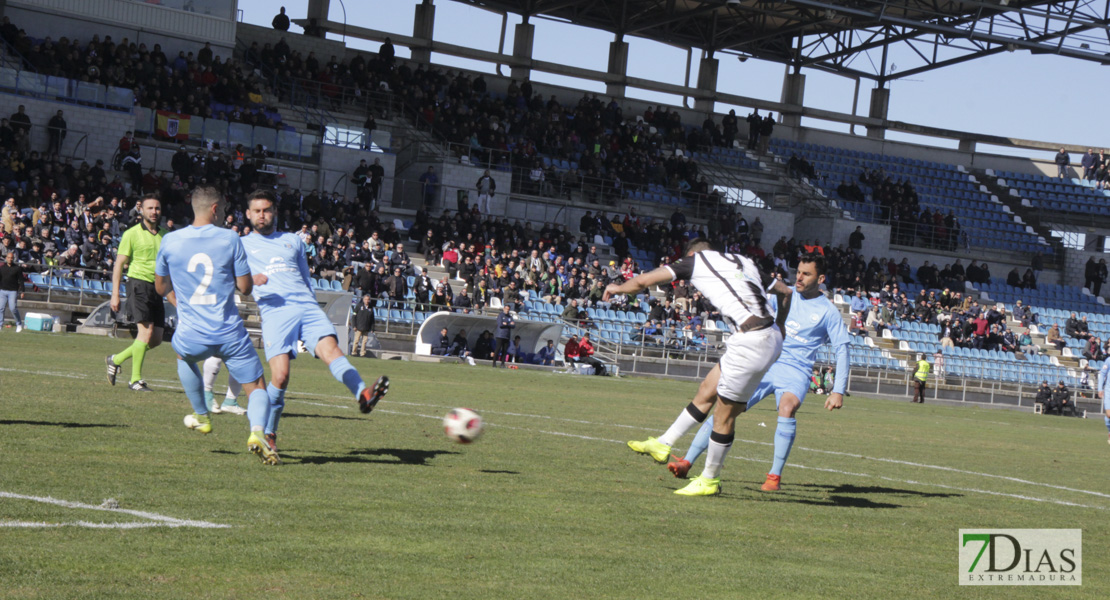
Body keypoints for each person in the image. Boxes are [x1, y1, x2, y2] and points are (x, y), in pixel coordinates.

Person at [613, 238, 784, 497]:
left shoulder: (697, 260)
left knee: (724, 415)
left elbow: (642, 282)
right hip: (762, 335)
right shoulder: (744, 261)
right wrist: (780, 324)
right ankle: (663, 443)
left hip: (752, 340)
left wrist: (617, 288)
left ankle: (709, 480)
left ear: (692, 254)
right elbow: (786, 291)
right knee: (707, 390)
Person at [665, 254, 850, 491]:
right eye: (798, 272)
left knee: (787, 407)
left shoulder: (828, 312)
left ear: (821, 278)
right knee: (726, 407)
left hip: (796, 370)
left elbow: (842, 350)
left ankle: (774, 477)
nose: (799, 278)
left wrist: (838, 391)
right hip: (766, 362)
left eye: (807, 274)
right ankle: (687, 461)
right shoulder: (785, 294)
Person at [242, 190, 390, 451]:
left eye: (266, 210)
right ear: (248, 214)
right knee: (281, 376)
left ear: (274, 212)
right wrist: (249, 281)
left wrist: (312, 304)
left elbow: (304, 277)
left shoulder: (293, 241)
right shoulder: (240, 245)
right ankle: (269, 433)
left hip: (306, 306)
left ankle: (363, 394)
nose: (262, 215)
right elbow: (231, 280)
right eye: (257, 211)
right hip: (276, 312)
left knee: (333, 352)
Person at [153, 186, 279, 465]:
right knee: (257, 385)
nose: (225, 214)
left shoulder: (170, 241)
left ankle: (201, 416)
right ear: (214, 209)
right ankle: (257, 432)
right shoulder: (230, 238)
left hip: (192, 332)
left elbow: (161, 287)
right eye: (223, 209)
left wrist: (181, 296)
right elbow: (245, 288)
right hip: (228, 331)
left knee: (183, 356)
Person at [105, 193, 168, 392]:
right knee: (145, 332)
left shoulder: (165, 235)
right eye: (150, 208)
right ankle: (135, 380)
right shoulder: (131, 233)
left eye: (157, 208)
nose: (154, 212)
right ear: (141, 210)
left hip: (158, 287)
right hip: (138, 284)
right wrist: (115, 294)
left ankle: (116, 359)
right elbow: (119, 265)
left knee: (156, 338)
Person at [0, 251, 25, 331]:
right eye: (8, 257)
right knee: (1, 308)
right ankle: (0, 324)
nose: (10, 259)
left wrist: (22, 291)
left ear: (13, 259)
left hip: (13, 291)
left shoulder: (17, 268)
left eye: (11, 258)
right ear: (6, 258)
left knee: (13, 308)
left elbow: (21, 280)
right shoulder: (2, 268)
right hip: (2, 290)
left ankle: (19, 324)